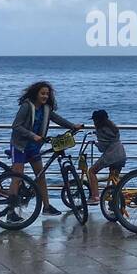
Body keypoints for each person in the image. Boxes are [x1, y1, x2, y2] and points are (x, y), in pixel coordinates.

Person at [8, 80, 81, 218]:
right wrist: (33, 135)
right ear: (36, 94)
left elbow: (57, 119)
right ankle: (11, 212)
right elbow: (16, 126)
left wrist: (72, 126)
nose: (45, 96)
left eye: (47, 94)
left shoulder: (46, 108)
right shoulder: (26, 106)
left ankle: (46, 206)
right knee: (17, 177)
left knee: (40, 176)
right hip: (20, 146)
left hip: (34, 147)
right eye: (42, 93)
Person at [86, 108, 126, 203]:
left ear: (97, 120)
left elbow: (102, 148)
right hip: (121, 154)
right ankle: (116, 202)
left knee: (92, 171)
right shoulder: (114, 128)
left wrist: (96, 143)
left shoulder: (101, 130)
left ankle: (95, 196)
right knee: (114, 178)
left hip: (111, 156)